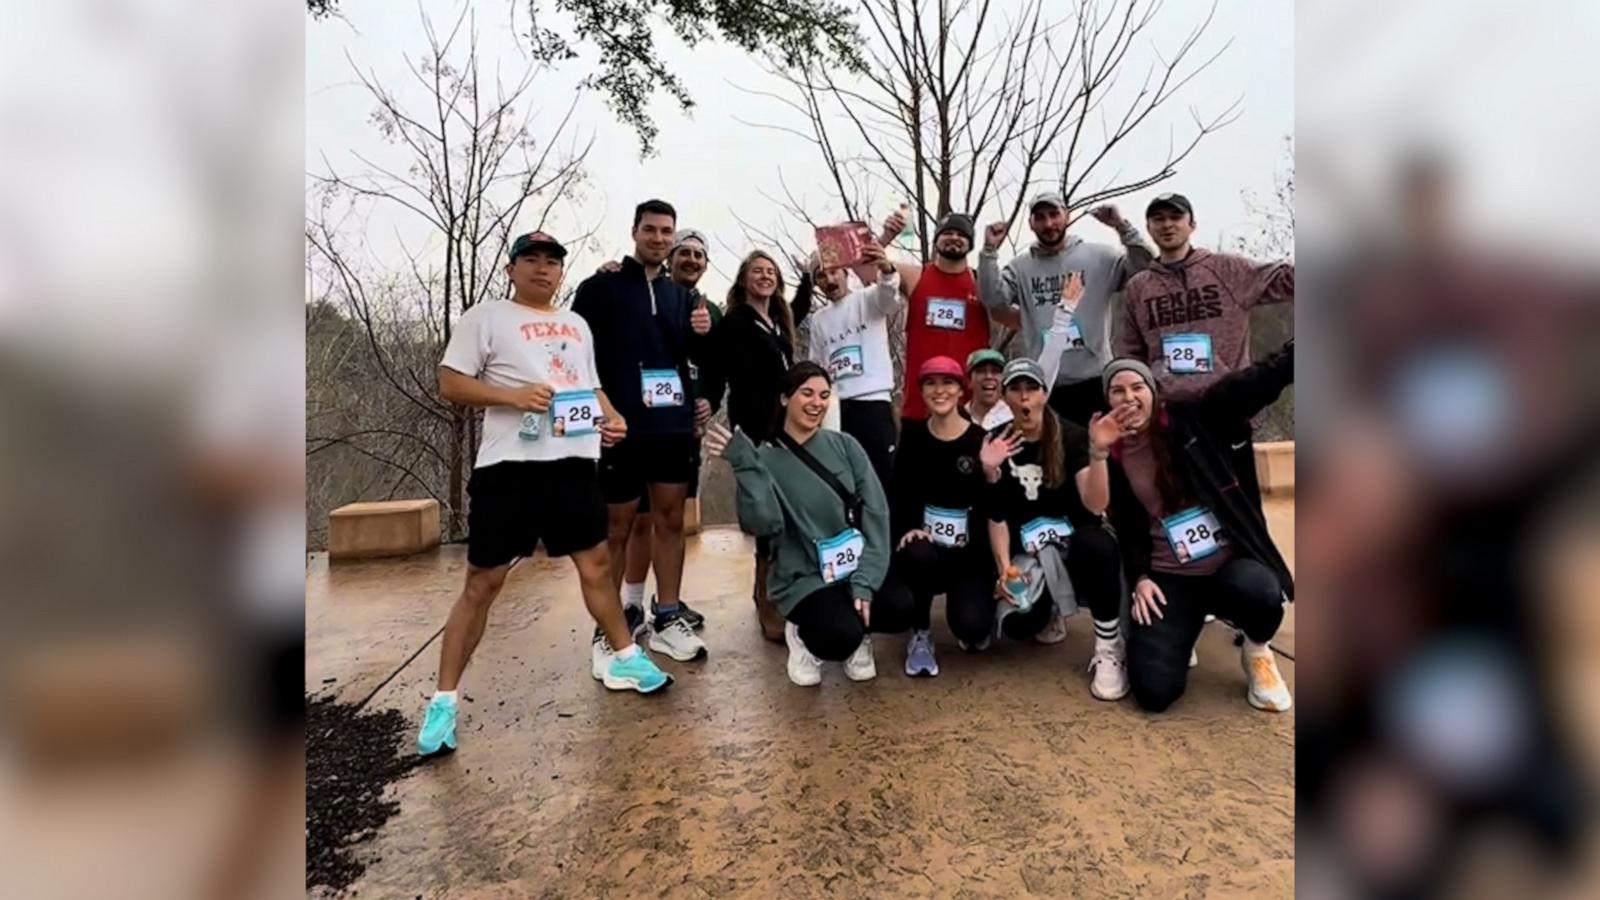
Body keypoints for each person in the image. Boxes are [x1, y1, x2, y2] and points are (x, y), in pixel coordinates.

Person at [418, 231, 672, 758]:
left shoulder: (576, 323)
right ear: (512, 269)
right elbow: (450, 382)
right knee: (482, 585)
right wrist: (511, 396)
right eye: (530, 259)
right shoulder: (485, 317)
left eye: (552, 261)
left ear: (562, 272)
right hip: (509, 469)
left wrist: (611, 416)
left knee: (597, 566)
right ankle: (443, 701)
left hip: (574, 466)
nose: (542, 269)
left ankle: (625, 656)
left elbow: (590, 384)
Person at [1077, 346, 1296, 713]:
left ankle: (1257, 650)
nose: (1129, 397)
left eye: (1137, 388)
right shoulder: (1113, 454)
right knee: (1153, 692)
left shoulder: (1199, 418)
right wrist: (1141, 576)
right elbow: (1105, 511)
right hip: (1170, 577)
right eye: (1118, 391)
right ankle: (1182, 631)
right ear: (1107, 400)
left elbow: (1257, 382)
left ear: (1153, 393)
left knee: (1260, 592)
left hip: (1229, 567)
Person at [703, 362, 917, 686]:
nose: (816, 403)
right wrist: (746, 467)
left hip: (853, 565)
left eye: (824, 396)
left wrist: (866, 580)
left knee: (900, 607)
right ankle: (803, 636)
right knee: (838, 636)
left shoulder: (846, 446)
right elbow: (762, 523)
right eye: (807, 393)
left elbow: (876, 512)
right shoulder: (766, 459)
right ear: (785, 398)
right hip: (805, 573)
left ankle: (862, 632)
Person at [572, 200, 712, 666]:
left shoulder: (685, 298)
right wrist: (595, 413)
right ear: (634, 232)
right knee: (617, 527)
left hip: (671, 427)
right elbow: (576, 357)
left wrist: (703, 336)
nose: (658, 238)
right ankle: (607, 628)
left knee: (671, 520)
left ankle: (668, 615)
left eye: (666, 231)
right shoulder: (601, 287)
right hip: (621, 427)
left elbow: (699, 359)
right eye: (650, 229)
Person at [978, 356, 1129, 700]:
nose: (1024, 397)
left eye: (1032, 388)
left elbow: (1095, 504)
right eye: (1015, 390)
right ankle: (1048, 610)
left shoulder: (1072, 435)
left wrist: (1099, 454)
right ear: (1005, 397)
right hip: (1028, 554)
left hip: (1075, 546)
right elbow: (996, 515)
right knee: (1018, 627)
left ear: (1045, 394)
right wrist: (1004, 569)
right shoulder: (995, 442)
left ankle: (1108, 645)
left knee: (1098, 545)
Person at [614, 230, 718, 632]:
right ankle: (632, 603)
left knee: (670, 520)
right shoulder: (640, 293)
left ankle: (668, 605)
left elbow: (714, 365)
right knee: (637, 520)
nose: (691, 260)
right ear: (670, 258)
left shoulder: (706, 307)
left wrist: (709, 398)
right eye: (684, 253)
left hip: (681, 430)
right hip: (635, 427)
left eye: (699, 254)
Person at [979, 193, 1154, 425]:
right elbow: (992, 300)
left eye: (1054, 215)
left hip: (1096, 379)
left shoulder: (1101, 257)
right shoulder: (1020, 268)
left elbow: (1145, 271)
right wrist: (989, 252)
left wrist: (1123, 227)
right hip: (1046, 384)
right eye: (1040, 217)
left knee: (1099, 453)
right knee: (1055, 456)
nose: (1049, 224)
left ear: (1067, 216)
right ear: (1031, 224)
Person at [704, 250, 800, 641]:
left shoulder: (777, 323)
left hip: (785, 427)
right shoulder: (734, 322)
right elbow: (713, 364)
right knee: (764, 509)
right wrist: (706, 401)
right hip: (755, 426)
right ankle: (766, 598)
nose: (765, 276)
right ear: (743, 280)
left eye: (771, 271)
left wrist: (808, 273)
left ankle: (784, 587)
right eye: (757, 271)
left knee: (785, 506)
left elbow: (802, 307)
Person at [1114, 192, 1294, 398]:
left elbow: (1288, 280)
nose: (1167, 225)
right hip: (1168, 406)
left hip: (1228, 400)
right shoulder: (1138, 287)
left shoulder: (1227, 269)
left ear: (1192, 225)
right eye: (1158, 219)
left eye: (1175, 217)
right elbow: (1130, 352)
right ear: (1149, 228)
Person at [884, 356, 992, 677]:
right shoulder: (912, 437)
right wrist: (906, 529)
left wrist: (991, 473)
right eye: (931, 383)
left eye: (948, 383)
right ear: (922, 391)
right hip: (926, 552)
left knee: (972, 629)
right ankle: (920, 633)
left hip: (968, 555)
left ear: (962, 391)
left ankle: (978, 609)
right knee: (916, 552)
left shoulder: (980, 440)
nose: (939, 390)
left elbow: (993, 507)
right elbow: (898, 493)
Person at [874, 208, 996, 422]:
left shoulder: (982, 283)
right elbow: (863, 267)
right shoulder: (915, 276)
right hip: (920, 406)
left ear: (970, 243)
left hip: (969, 408)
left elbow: (1015, 316)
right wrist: (886, 236)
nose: (954, 238)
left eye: (961, 235)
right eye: (948, 233)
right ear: (936, 239)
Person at [805, 236, 902, 487]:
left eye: (834, 272)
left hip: (873, 403)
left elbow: (890, 298)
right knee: (844, 482)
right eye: (821, 276)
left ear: (845, 272)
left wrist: (887, 269)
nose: (829, 280)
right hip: (836, 410)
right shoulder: (818, 320)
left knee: (881, 479)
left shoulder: (867, 299)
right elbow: (816, 367)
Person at [964, 348, 1012, 431]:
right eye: (981, 371)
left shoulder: (1014, 417)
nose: (989, 376)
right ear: (969, 381)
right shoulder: (957, 418)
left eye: (995, 371)